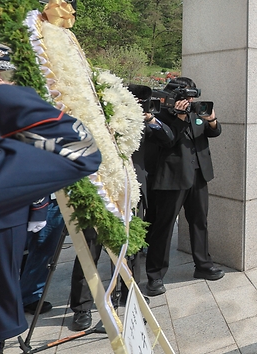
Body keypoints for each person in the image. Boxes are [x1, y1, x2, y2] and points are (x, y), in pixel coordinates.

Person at [0, 61, 101, 354]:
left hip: (6, 213)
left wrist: (38, 208)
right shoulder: (0, 112)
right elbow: (78, 150)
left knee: (2, 281)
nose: (0, 82)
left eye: (1, 77)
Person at [68, 85, 173, 331]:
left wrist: (149, 117)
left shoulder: (141, 121)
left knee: (131, 248)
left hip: (132, 190)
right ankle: (82, 307)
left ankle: (129, 293)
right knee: (90, 249)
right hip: (100, 191)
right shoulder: (97, 118)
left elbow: (167, 139)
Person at [144, 77, 224, 297]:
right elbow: (167, 141)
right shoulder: (159, 114)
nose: (190, 101)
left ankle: (203, 265)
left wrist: (212, 120)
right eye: (186, 97)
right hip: (173, 178)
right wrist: (179, 118)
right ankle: (155, 275)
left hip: (199, 176)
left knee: (200, 221)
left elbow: (213, 132)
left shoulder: (196, 111)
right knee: (164, 226)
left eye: (191, 97)